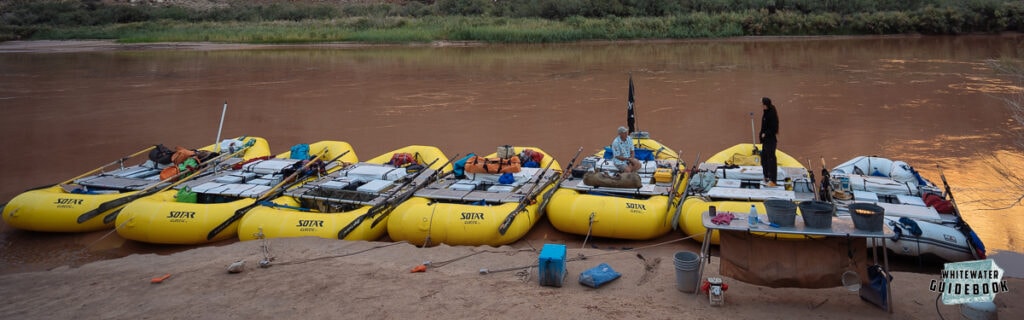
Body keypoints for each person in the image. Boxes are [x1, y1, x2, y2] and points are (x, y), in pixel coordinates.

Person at [759, 97, 780, 187]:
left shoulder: (772, 113)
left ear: (765, 104)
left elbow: (774, 129)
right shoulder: (766, 112)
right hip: (765, 141)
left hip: (770, 140)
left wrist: (765, 134)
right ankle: (766, 176)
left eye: (762, 104)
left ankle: (773, 180)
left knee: (771, 160)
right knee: (764, 158)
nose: (762, 106)